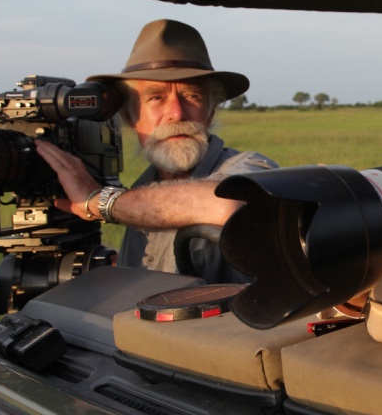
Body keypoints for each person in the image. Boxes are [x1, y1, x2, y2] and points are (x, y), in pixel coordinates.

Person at [36, 19, 277, 281]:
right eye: (156, 98)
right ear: (130, 117)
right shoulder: (141, 193)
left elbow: (226, 204)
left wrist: (99, 201)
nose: (176, 113)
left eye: (192, 96)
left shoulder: (249, 166)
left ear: (210, 111)